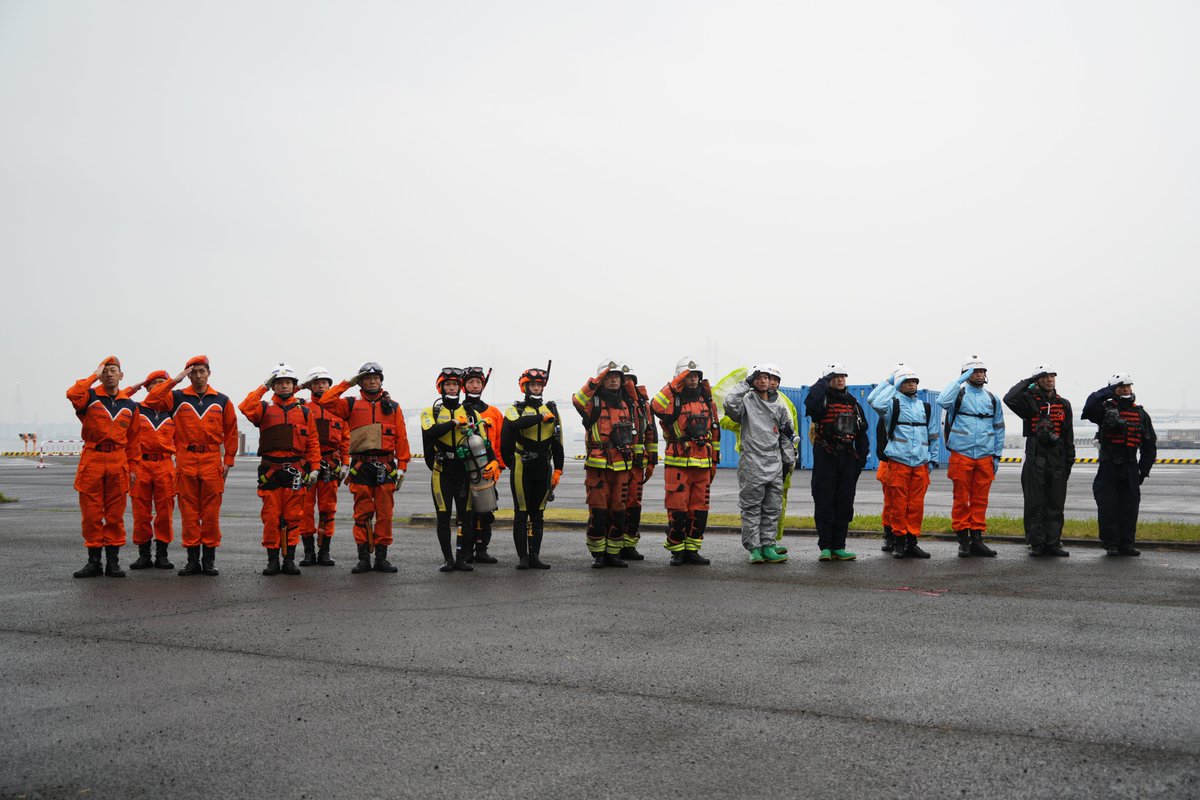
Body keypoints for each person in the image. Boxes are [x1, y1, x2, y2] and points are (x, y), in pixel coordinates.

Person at [145, 355, 238, 576]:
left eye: (201, 371)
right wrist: (175, 380)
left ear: (209, 373)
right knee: (188, 512)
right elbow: (151, 400)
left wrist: (229, 461)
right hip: (186, 460)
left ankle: (209, 560)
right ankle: (192, 561)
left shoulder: (222, 400)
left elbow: (231, 432)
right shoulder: (176, 398)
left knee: (210, 513)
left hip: (211, 460)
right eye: (193, 372)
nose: (197, 376)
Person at [317, 362, 412, 574]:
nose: (372, 381)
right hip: (361, 466)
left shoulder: (393, 407)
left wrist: (403, 466)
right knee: (361, 514)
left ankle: (381, 558)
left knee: (385, 515)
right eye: (368, 378)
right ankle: (363, 559)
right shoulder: (349, 404)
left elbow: (401, 438)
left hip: (386, 466)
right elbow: (325, 400)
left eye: (376, 377)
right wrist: (347, 383)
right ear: (360, 382)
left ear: (381, 381)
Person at [239, 364, 322, 576]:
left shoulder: (304, 412)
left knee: (294, 518)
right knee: (271, 518)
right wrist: (263, 387)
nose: (284, 386)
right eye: (279, 383)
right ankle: (272, 560)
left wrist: (314, 468)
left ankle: (289, 559)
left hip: (296, 471)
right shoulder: (264, 409)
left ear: (294, 386)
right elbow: (245, 407)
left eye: (287, 382)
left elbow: (313, 442)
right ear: (273, 386)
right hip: (271, 472)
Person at [420, 367, 501, 572]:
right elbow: (430, 432)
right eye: (448, 384)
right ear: (440, 387)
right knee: (444, 517)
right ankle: (448, 559)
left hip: (465, 471)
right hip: (442, 471)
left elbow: (484, 441)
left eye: (455, 384)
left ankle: (461, 558)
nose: (452, 388)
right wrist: (454, 422)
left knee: (465, 518)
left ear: (460, 387)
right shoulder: (431, 411)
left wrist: (493, 462)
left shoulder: (471, 412)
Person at [67, 356, 141, 578]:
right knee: (91, 514)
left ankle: (113, 563)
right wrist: (93, 376)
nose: (109, 374)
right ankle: (93, 562)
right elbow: (72, 393)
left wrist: (134, 468)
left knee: (115, 515)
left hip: (118, 461)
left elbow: (134, 440)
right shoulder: (88, 397)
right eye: (105, 370)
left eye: (113, 370)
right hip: (93, 459)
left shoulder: (129, 405)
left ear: (121, 376)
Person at [722, 364, 794, 564]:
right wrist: (744, 384)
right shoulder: (745, 402)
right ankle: (754, 548)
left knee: (772, 507)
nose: (764, 381)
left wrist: (788, 460)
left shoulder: (779, 406)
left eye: (768, 377)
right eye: (760, 377)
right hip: (752, 462)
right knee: (752, 507)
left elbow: (786, 436)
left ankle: (769, 545)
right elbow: (729, 403)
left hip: (774, 463)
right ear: (753, 380)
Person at [650, 357, 719, 565]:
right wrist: (675, 383)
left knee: (699, 512)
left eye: (696, 375)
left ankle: (692, 550)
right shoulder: (672, 401)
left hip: (703, 464)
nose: (693, 380)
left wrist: (714, 461)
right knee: (678, 510)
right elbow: (655, 405)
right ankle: (677, 551)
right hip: (679, 463)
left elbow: (715, 432)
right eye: (688, 376)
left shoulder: (707, 401)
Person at [868, 365, 940, 559]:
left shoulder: (925, 407)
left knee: (916, 505)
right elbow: (873, 401)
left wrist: (932, 459)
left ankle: (912, 542)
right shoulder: (892, 404)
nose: (912, 385)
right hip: (899, 462)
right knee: (898, 504)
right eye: (907, 382)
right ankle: (898, 541)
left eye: (914, 381)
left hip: (920, 464)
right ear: (899, 385)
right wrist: (889, 382)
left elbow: (934, 434)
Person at [937, 356, 1005, 557]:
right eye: (974, 371)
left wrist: (997, 456)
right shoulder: (957, 395)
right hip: (962, 454)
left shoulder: (992, 398)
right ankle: (963, 540)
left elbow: (999, 427)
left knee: (980, 500)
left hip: (985, 456)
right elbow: (941, 400)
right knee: (961, 499)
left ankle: (977, 539)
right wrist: (958, 381)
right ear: (965, 374)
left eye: (982, 371)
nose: (979, 374)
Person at [1004, 365, 1075, 557]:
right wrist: (1029, 380)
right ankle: (1036, 543)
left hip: (1057, 457)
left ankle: (1052, 543)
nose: (1049, 380)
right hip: (1035, 455)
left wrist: (1069, 463)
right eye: (1044, 377)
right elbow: (1009, 398)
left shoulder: (1064, 404)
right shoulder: (1029, 401)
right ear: (1038, 380)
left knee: (1055, 503)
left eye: (1052, 376)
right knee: (1035, 502)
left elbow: (1068, 436)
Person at [1082, 373, 1156, 556]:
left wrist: (1143, 470)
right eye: (1122, 386)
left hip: (1130, 464)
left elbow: (1149, 445)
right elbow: (1089, 406)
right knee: (1108, 505)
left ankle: (1127, 544)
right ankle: (1111, 544)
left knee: (1130, 506)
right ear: (1114, 389)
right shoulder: (1104, 410)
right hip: (1108, 464)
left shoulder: (1141, 414)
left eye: (1129, 386)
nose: (1126, 389)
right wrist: (1107, 391)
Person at [573, 361, 637, 568]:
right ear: (602, 380)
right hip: (598, 465)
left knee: (618, 511)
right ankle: (598, 553)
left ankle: (614, 553)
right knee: (598, 511)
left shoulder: (627, 403)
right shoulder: (593, 403)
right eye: (609, 377)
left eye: (616, 377)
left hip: (621, 465)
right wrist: (597, 379)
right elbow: (577, 400)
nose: (613, 381)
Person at [805, 363, 869, 561]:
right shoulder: (820, 400)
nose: (840, 380)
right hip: (826, 457)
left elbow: (862, 433)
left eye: (842, 376)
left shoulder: (853, 402)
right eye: (835, 377)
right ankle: (825, 546)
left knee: (844, 502)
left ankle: (839, 546)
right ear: (827, 380)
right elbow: (810, 402)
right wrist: (822, 381)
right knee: (824, 501)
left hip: (848, 458)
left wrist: (861, 460)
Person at [501, 367, 564, 569]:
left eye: (539, 385)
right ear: (525, 386)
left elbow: (558, 442)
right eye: (533, 385)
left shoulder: (552, 410)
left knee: (538, 514)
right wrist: (539, 418)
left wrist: (558, 469)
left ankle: (535, 556)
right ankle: (523, 558)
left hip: (543, 467)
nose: (537, 388)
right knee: (521, 513)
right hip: (522, 467)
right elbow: (513, 428)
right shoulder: (515, 409)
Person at [123, 370, 177, 570]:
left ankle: (162, 554)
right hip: (141, 465)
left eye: (164, 383)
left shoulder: (173, 412)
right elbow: (119, 398)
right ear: (147, 388)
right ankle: (143, 555)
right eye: (155, 383)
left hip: (164, 464)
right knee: (141, 512)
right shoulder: (136, 409)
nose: (160, 387)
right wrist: (135, 386)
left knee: (165, 512)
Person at [298, 366, 347, 567]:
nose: (321, 385)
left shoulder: (338, 410)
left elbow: (345, 440)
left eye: (325, 382)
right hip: (307, 464)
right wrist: (299, 385)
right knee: (305, 510)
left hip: (330, 464)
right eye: (317, 382)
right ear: (310, 386)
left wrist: (345, 463)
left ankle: (324, 551)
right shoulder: (301, 407)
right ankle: (309, 552)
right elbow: (281, 395)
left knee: (328, 509)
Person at [462, 366, 505, 564]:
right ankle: (465, 551)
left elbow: (500, 443)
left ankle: (482, 549)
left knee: (486, 511)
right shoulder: (458, 411)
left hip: (488, 468)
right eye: (471, 382)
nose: (475, 385)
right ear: (464, 386)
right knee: (467, 512)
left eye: (478, 382)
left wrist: (498, 465)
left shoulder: (494, 413)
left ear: (483, 385)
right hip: (463, 470)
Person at [618, 363, 658, 561]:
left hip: (636, 465)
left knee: (633, 504)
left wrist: (651, 463)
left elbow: (651, 434)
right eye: (624, 380)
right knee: (615, 504)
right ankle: (613, 545)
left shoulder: (643, 405)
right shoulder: (609, 403)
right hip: (614, 463)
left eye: (630, 380)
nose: (628, 384)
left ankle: (629, 544)